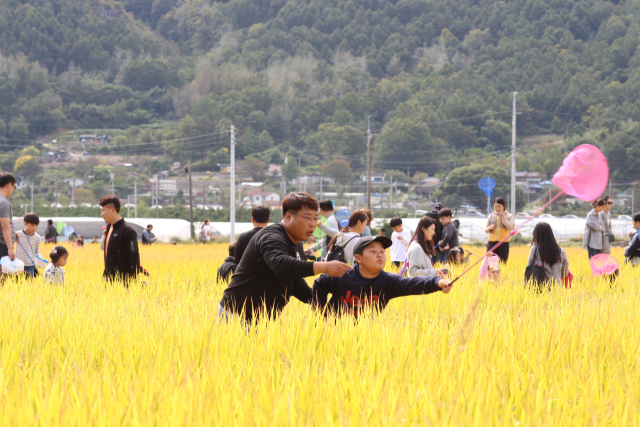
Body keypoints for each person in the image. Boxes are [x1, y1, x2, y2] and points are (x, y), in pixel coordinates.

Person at [219, 192, 352, 323]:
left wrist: (320, 303)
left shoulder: (297, 243)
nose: (312, 224)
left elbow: (294, 283)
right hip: (237, 315)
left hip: (263, 319)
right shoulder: (271, 237)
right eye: (307, 218)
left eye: (315, 218)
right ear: (288, 217)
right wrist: (325, 267)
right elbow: (282, 265)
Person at [312, 235, 453, 318]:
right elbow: (319, 284)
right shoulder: (342, 274)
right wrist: (322, 316)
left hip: (366, 335)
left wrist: (438, 282)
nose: (379, 254)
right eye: (373, 251)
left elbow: (413, 283)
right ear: (358, 258)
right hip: (333, 333)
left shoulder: (388, 282)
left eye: (382, 251)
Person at [100, 195, 141, 285]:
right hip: (109, 280)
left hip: (123, 282)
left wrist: (133, 280)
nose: (101, 214)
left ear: (112, 210)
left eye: (103, 210)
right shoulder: (109, 227)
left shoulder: (127, 231)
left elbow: (134, 257)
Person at [527, 222, 570, 288]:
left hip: (540, 290)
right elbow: (565, 274)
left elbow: (529, 270)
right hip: (557, 290)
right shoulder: (562, 252)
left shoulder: (534, 251)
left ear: (537, 236)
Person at [484, 197, 515, 262]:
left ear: (504, 206)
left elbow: (511, 227)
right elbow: (485, 229)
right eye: (495, 206)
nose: (497, 208)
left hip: (503, 242)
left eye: (499, 206)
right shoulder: (491, 216)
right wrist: (490, 228)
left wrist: (503, 217)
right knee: (490, 262)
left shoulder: (509, 216)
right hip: (492, 242)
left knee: (502, 262)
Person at [15, 212, 43, 279]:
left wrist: (40, 259)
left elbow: (37, 251)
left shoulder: (37, 237)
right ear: (25, 224)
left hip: (30, 265)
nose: (34, 228)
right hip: (18, 265)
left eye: (36, 226)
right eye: (32, 225)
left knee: (29, 284)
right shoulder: (17, 234)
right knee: (17, 283)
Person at [0, 173, 16, 271]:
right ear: (9, 185)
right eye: (15, 186)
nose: (14, 189)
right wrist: (10, 249)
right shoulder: (3, 203)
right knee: (3, 276)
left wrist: (14, 233)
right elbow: (5, 227)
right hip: (2, 245)